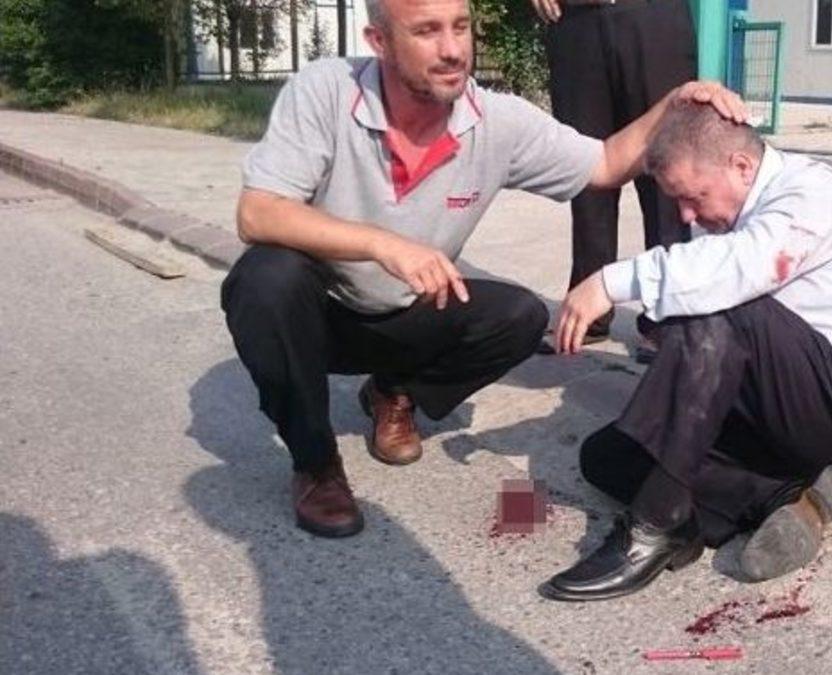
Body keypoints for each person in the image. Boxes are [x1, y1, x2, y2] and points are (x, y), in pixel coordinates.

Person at [220, 0, 746, 538]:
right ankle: (315, 464)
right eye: (427, 31)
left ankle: (394, 391)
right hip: (319, 314)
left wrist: (675, 102)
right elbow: (257, 212)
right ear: (379, 42)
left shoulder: (495, 120)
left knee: (519, 317)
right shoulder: (326, 89)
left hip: (407, 312)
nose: (453, 50)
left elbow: (607, 162)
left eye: (461, 27)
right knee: (265, 280)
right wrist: (382, 244)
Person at [538, 103, 832, 602]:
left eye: (692, 197)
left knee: (721, 308)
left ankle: (655, 527)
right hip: (768, 404)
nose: (686, 215)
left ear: (741, 166)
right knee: (607, 457)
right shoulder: (725, 212)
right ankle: (788, 495)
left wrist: (609, 283)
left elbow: (739, 269)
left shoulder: (810, 191)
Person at [530, 0, 697, 362]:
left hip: (652, 18)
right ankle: (588, 310)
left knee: (667, 168)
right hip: (576, 22)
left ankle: (668, 315)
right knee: (585, 166)